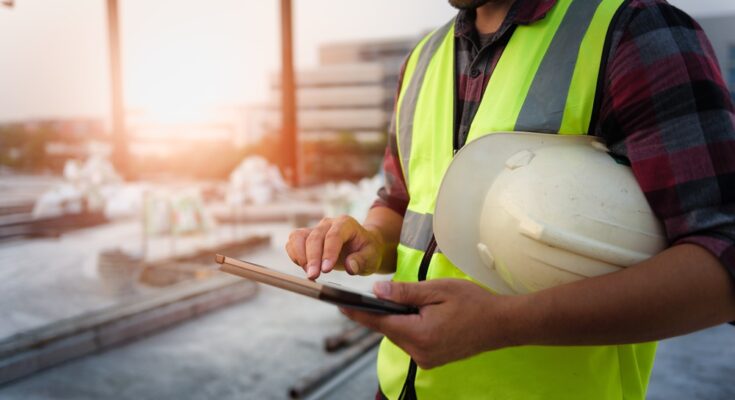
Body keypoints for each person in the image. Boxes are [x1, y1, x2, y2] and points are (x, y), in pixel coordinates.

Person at [285, 0, 735, 398]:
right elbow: (401, 202)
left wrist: (505, 323)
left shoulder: (636, 34)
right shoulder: (422, 61)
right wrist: (369, 239)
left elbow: (722, 264)